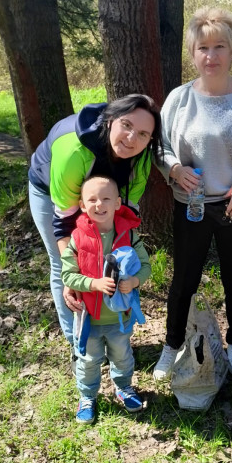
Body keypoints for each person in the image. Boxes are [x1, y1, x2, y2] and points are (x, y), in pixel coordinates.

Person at [154, 7, 232, 380]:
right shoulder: (178, 99)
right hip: (191, 206)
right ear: (192, 54)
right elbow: (160, 146)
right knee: (184, 280)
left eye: (219, 46)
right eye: (203, 48)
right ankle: (171, 344)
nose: (211, 56)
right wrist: (174, 168)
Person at [28, 93, 162, 347]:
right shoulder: (74, 151)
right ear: (111, 120)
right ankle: (78, 342)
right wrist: (73, 276)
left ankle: (110, 326)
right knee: (63, 263)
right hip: (52, 190)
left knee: (101, 257)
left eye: (144, 134)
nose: (132, 138)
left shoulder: (142, 157)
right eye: (127, 125)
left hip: (105, 193)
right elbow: (64, 223)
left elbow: (126, 214)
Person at [61, 175, 151, 424]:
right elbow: (67, 275)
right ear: (81, 205)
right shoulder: (78, 239)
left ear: (118, 203)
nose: (99, 204)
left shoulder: (129, 235)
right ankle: (88, 396)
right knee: (89, 360)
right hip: (89, 317)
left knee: (122, 356)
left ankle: (124, 388)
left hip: (120, 318)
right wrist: (93, 284)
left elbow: (145, 266)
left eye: (105, 198)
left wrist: (134, 281)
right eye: (92, 199)